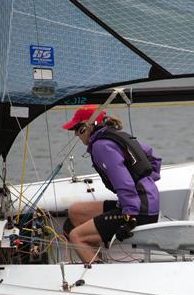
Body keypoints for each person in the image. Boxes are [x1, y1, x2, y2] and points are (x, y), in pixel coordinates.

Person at [63, 106, 162, 264]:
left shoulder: (101, 146)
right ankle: (98, 259)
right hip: (144, 202)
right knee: (75, 211)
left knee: (76, 236)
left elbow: (124, 182)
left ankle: (99, 278)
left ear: (87, 126)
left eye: (77, 129)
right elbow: (154, 158)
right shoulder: (116, 135)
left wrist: (130, 217)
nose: (76, 135)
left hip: (138, 211)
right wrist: (147, 182)